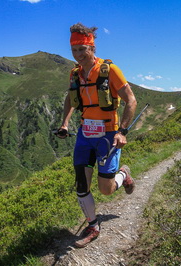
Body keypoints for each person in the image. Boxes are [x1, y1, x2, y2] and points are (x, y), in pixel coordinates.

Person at [56, 22, 137, 248]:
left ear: (92, 48)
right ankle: (93, 225)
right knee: (81, 183)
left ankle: (123, 174)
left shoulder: (110, 70)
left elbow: (131, 100)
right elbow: (70, 99)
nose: (78, 55)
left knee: (106, 189)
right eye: (74, 50)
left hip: (108, 134)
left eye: (82, 49)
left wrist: (122, 131)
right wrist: (64, 123)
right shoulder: (74, 74)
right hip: (85, 133)